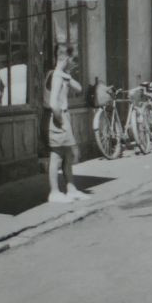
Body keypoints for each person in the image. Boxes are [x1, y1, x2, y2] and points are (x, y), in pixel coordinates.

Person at [45, 44, 86, 203]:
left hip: (61, 117)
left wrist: (67, 76)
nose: (74, 63)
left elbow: (79, 88)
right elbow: (54, 103)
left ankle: (71, 189)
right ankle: (54, 192)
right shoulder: (56, 76)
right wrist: (60, 121)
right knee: (56, 156)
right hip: (58, 117)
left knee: (68, 155)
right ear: (66, 58)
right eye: (72, 59)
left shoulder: (60, 75)